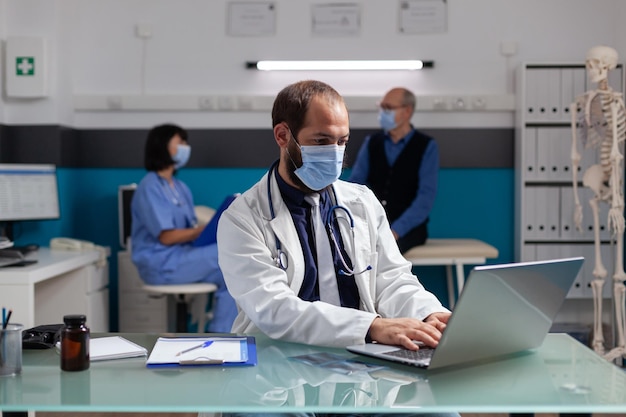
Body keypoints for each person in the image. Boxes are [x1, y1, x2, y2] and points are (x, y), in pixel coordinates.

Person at [217, 80, 456, 417]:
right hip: (277, 370)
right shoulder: (243, 218)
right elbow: (274, 310)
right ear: (283, 136)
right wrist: (371, 326)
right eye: (321, 141)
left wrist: (430, 314)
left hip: (361, 364)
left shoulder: (362, 202)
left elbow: (392, 280)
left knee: (443, 414)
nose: (334, 153)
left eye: (342, 142)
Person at [130, 123, 237, 333]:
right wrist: (202, 230)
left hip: (180, 257)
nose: (185, 147)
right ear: (163, 146)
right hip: (160, 262)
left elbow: (188, 230)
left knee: (235, 273)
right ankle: (220, 334)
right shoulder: (149, 186)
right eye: (180, 142)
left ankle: (225, 330)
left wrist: (206, 231)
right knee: (229, 256)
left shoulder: (180, 188)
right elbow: (167, 237)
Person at [348, 87, 438, 253]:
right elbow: (355, 186)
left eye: (388, 108)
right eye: (381, 107)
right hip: (373, 222)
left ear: (407, 111)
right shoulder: (372, 143)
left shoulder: (426, 146)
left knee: (386, 253)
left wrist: (395, 231)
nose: (383, 112)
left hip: (408, 228)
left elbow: (425, 199)